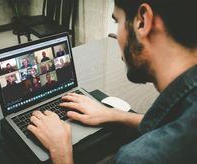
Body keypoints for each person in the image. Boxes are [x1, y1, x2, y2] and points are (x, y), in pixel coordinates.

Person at [27, 0, 197, 164]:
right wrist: (112, 114)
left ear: (142, 22)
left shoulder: (139, 158)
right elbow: (172, 120)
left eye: (118, 21)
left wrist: (60, 151)